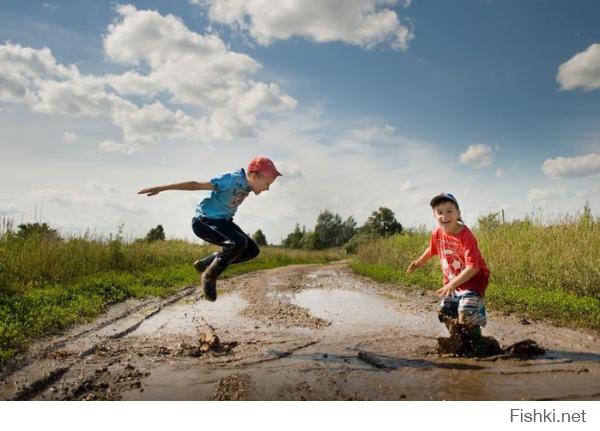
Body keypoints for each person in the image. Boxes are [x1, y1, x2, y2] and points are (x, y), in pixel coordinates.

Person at [138, 157, 282, 302]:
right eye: (267, 184)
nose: (267, 189)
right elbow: (195, 185)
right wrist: (161, 188)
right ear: (254, 176)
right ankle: (209, 276)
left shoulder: (247, 185)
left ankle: (206, 263)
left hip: (223, 222)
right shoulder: (231, 180)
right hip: (204, 222)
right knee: (238, 242)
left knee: (252, 250)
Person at [406, 193, 490, 356]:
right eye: (440, 212)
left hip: (473, 280)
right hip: (453, 281)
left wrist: (451, 285)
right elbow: (432, 249)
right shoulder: (437, 233)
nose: (444, 216)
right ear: (434, 215)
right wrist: (418, 262)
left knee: (466, 311)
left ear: (458, 213)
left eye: (449, 211)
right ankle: (458, 339)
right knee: (446, 310)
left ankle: (478, 344)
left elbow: (473, 268)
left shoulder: (466, 235)